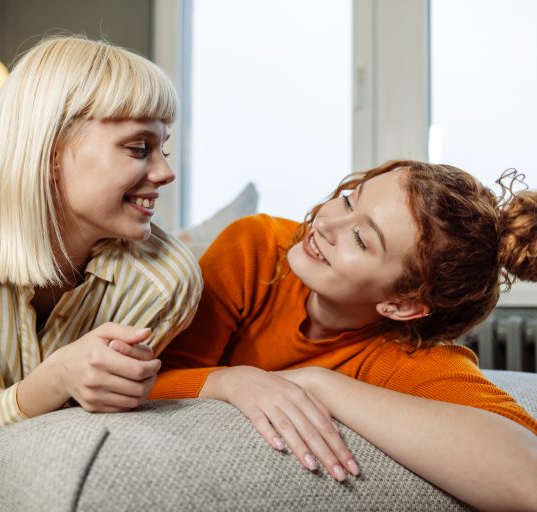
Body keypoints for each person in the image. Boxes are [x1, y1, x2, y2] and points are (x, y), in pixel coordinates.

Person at [141, 160, 537, 510]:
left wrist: (319, 384)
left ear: (401, 305)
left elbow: (528, 478)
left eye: (362, 239)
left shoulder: (408, 355)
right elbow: (148, 379)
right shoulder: (254, 246)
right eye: (349, 199)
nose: (326, 224)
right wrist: (231, 380)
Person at [0, 36, 202, 463]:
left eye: (163, 148)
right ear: (50, 150)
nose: (166, 172)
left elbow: (83, 424)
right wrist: (58, 377)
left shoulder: (167, 283)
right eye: (139, 148)